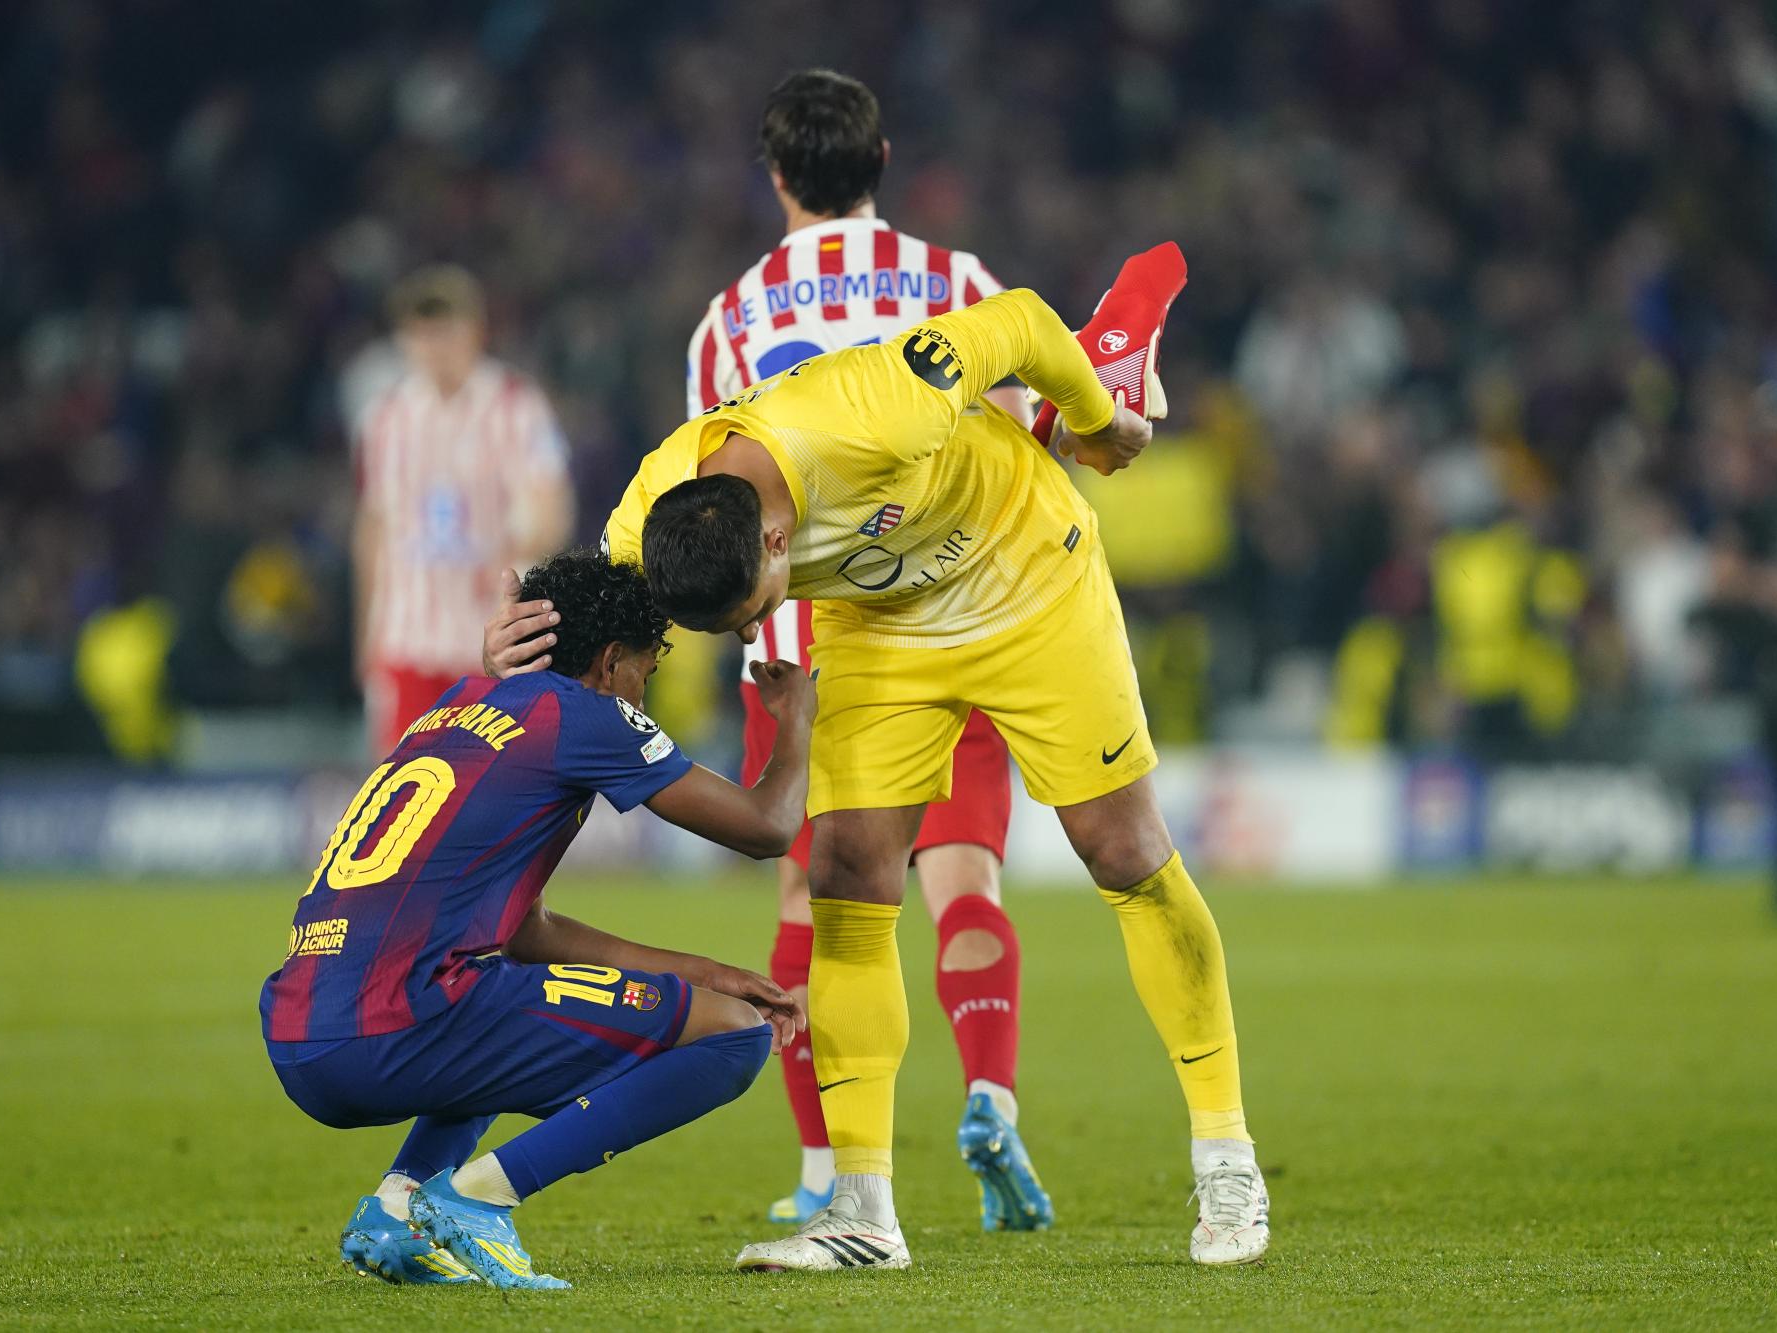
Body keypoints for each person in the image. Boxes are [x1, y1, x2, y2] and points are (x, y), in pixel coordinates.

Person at [491, 263, 1268, 1272]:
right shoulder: (654, 516)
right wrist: (519, 640)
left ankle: (1225, 1160)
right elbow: (595, 611)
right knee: (846, 874)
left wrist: (1097, 422)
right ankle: (861, 1211)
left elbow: (1025, 321)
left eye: (755, 603)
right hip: (880, 628)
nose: (758, 624)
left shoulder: (873, 403)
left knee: (1120, 850)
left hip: (1025, 571)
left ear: (776, 535)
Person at [685, 68, 1046, 1231]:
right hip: (956, 621)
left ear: (777, 173)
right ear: (882, 163)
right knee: (964, 879)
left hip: (804, 650)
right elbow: (1024, 428)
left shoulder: (731, 319)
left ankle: (820, 1169)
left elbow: (715, 512)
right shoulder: (956, 284)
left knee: (815, 901)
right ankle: (988, 1088)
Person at [261, 549, 813, 1290]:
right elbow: (768, 826)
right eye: (644, 676)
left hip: (300, 1035)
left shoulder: (457, 703)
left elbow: (526, 934)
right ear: (612, 660)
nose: (642, 700)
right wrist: (796, 721)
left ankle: (396, 1207)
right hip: (398, 1026)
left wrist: (703, 970)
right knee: (735, 1036)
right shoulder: (585, 716)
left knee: (498, 991)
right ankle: (479, 1198)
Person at [351, 265, 575, 755]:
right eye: (421, 333)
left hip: (487, 642)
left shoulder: (516, 407)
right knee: (397, 789)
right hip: (406, 639)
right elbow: (374, 526)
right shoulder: (385, 416)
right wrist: (367, 634)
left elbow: (551, 509)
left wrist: (513, 553)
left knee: (487, 791)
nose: (434, 347)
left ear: (476, 331)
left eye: (446, 330)